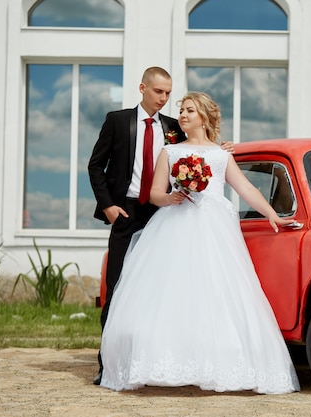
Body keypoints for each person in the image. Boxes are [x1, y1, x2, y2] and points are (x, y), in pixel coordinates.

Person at [98, 91, 300, 394]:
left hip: (214, 229)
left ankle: (216, 362)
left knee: (217, 291)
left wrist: (272, 214)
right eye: (181, 110)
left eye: (189, 110)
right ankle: (164, 362)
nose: (182, 115)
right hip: (174, 225)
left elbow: (244, 187)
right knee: (172, 292)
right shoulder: (170, 152)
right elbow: (155, 193)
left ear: (203, 117)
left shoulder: (221, 155)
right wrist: (171, 197)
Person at [88, 67, 233, 386]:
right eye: (158, 92)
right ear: (143, 88)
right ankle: (107, 363)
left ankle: (159, 356)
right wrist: (109, 206)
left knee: (159, 288)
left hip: (164, 212)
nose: (165, 98)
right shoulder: (118, 120)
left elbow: (197, 150)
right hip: (125, 211)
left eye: (169, 93)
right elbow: (96, 165)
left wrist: (221, 150)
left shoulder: (173, 127)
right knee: (117, 286)